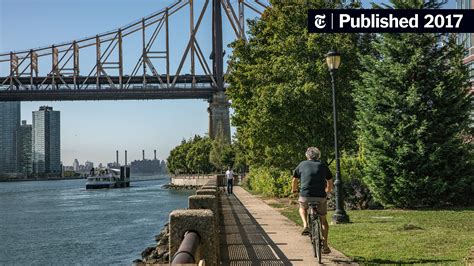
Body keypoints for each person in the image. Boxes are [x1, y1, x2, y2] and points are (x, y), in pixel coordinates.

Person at [291, 147, 333, 254]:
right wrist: (327, 191)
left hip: (306, 195)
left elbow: (295, 179)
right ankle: (325, 245)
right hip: (320, 196)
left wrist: (294, 190)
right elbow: (330, 180)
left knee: (302, 207)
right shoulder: (323, 166)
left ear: (307, 156)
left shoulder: (302, 164)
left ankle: (305, 225)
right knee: (323, 220)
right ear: (318, 156)